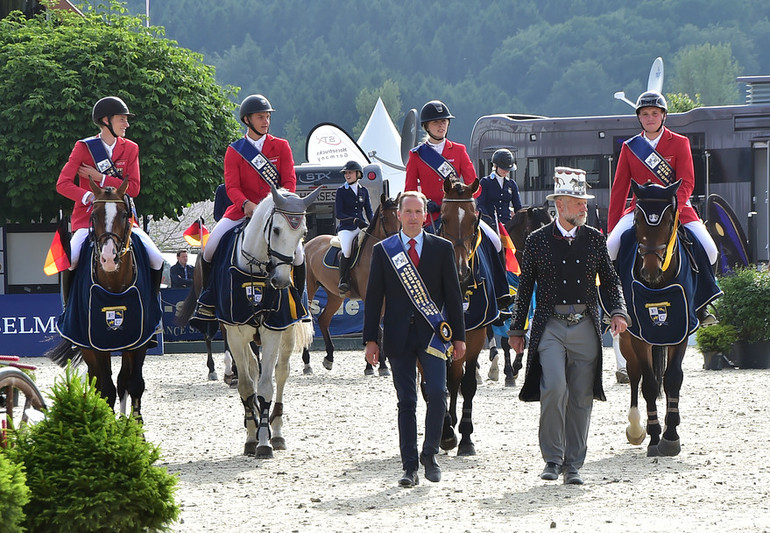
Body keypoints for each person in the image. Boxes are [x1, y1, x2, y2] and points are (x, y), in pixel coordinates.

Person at [508, 167, 629, 485]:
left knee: (581, 396)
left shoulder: (595, 239)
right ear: (560, 205)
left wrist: (617, 311)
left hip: (586, 326)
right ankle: (552, 458)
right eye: (578, 201)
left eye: (584, 201)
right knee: (554, 388)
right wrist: (517, 328)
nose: (584, 206)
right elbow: (525, 286)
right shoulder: (536, 241)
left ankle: (573, 464)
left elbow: (610, 281)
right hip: (549, 326)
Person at [364, 191, 466, 488]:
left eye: (416, 212)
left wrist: (458, 337)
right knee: (406, 401)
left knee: (438, 393)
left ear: (425, 215)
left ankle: (430, 454)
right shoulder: (385, 250)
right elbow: (373, 299)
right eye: (406, 211)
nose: (411, 217)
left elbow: (452, 296)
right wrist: (371, 339)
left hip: (433, 335)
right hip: (397, 337)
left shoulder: (442, 248)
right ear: (398, 215)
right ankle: (409, 467)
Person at [606, 90, 718, 325]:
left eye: (654, 113)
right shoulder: (630, 147)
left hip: (676, 208)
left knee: (710, 249)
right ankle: (615, 305)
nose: (650, 118)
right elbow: (619, 189)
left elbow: (687, 181)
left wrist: (674, 205)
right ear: (639, 117)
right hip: (641, 210)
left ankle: (703, 304)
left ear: (663, 116)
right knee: (611, 247)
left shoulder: (680, 142)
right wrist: (613, 224)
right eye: (645, 114)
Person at [56, 96, 164, 305]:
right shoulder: (83, 147)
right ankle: (68, 311)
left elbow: (133, 188)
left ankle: (152, 309)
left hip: (122, 220)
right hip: (89, 217)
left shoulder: (131, 148)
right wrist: (87, 196)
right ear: (106, 120)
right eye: (122, 119)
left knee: (156, 258)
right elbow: (63, 184)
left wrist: (101, 178)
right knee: (72, 259)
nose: (127, 124)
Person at [201, 94, 301, 291]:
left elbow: (289, 182)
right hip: (243, 210)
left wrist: (278, 205)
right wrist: (246, 204)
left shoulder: (281, 146)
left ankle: (300, 302)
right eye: (260, 117)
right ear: (247, 120)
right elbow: (232, 187)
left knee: (298, 255)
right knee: (209, 249)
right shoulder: (235, 150)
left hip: (275, 213)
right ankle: (207, 299)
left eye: (268, 117)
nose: (266, 122)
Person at [334, 160, 373, 293]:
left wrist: (372, 225)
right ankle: (343, 280)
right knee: (347, 250)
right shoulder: (341, 191)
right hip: (346, 228)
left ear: (358, 174)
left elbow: (369, 211)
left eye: (350, 172)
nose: (347, 175)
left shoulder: (364, 191)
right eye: (345, 173)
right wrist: (354, 220)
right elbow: (339, 213)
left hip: (361, 226)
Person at [477, 148, 522, 227]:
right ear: (495, 166)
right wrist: (489, 221)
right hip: (490, 223)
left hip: (507, 224)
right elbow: (480, 205)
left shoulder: (512, 184)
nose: (506, 171)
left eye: (508, 169)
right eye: (503, 168)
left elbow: (518, 207)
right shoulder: (485, 182)